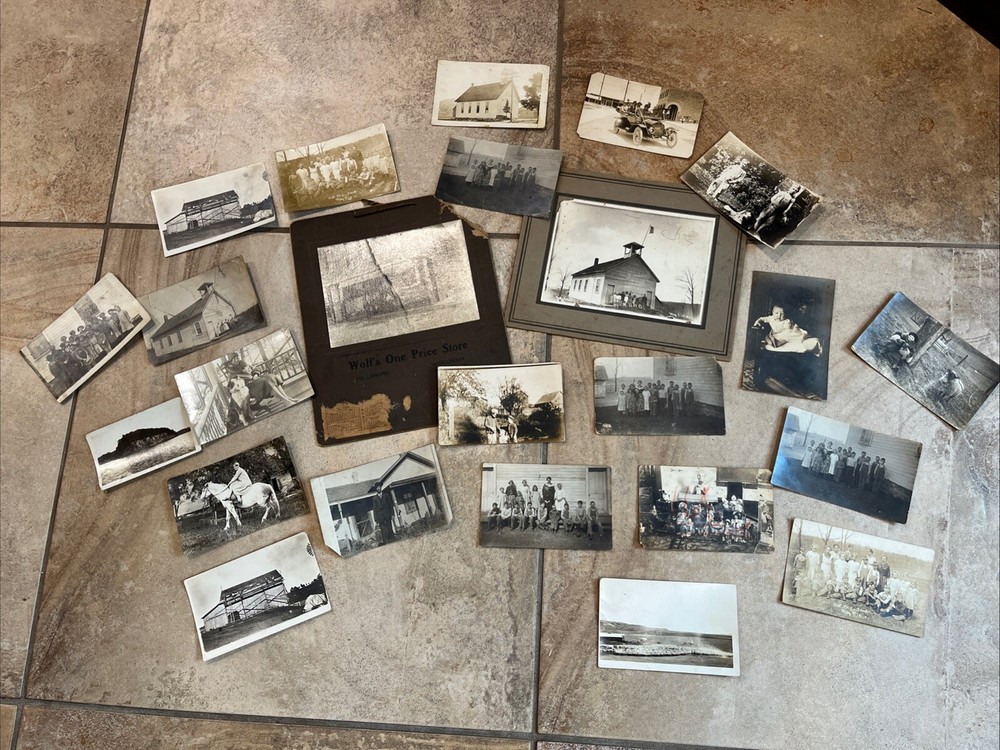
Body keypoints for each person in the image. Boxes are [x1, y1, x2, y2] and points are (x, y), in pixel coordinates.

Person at [753, 305, 823, 355]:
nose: (779, 316)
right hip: (776, 334)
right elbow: (762, 319)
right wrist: (757, 322)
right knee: (769, 336)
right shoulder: (771, 318)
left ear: (785, 314)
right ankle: (773, 341)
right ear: (772, 312)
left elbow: (788, 331)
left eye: (782, 314)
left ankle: (778, 342)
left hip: (789, 332)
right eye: (776, 313)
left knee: (793, 336)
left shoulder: (786, 321)